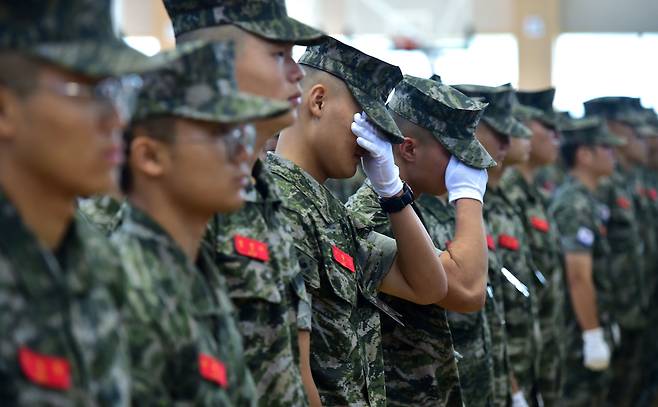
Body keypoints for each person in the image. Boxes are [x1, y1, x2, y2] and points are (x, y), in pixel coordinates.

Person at [267, 35, 449, 406]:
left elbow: (428, 285)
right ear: (318, 101)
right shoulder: (278, 204)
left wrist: (392, 191)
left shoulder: (330, 213)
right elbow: (292, 372)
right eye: (364, 118)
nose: (372, 138)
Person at [162, 0, 327, 404]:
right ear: (212, 61)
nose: (297, 73)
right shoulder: (169, 191)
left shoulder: (265, 191)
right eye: (278, 55)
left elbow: (294, 365)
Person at [0, 0, 165, 404]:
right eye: (89, 90)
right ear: (4, 109)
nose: (117, 120)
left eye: (117, 91)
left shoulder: (98, 258)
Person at [111, 41, 291, 405]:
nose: (243, 153)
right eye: (221, 135)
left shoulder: (195, 272)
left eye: (242, 134)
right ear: (150, 156)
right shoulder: (124, 287)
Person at [346, 75, 493, 406]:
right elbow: (467, 290)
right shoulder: (375, 215)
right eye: (457, 154)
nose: (466, 163)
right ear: (409, 148)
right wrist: (468, 196)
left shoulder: (413, 207)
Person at [455, 83, 537, 406]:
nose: (507, 143)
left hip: (506, 369)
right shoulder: (459, 207)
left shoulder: (494, 200)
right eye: (498, 132)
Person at [550, 117, 625, 406]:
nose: (613, 154)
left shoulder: (588, 198)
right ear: (584, 155)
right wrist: (593, 334)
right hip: (576, 332)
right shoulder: (574, 203)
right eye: (606, 147)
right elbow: (578, 277)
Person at [501, 88, 566, 406]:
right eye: (547, 128)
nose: (558, 137)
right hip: (514, 357)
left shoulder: (530, 193)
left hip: (542, 346)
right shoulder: (503, 196)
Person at [584, 97, 650, 407]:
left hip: (637, 302)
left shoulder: (629, 180)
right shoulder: (602, 185)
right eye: (632, 129)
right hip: (615, 307)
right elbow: (584, 266)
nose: (642, 137)